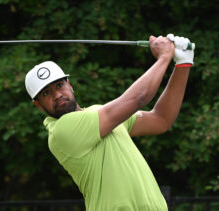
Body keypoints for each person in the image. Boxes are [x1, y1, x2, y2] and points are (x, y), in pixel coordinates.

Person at [25, 34, 194, 211]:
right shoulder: (61, 131)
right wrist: (164, 57)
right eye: (46, 93)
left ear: (69, 84)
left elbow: (161, 119)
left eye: (59, 85)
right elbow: (138, 98)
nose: (57, 95)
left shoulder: (101, 114)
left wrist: (183, 64)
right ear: (37, 105)